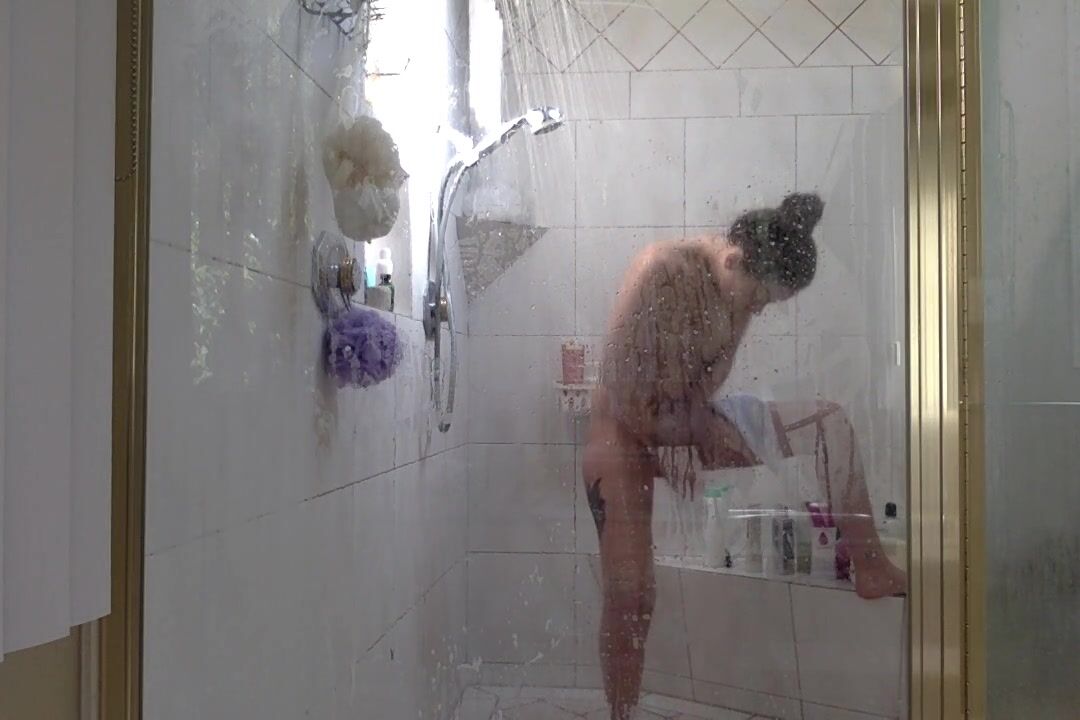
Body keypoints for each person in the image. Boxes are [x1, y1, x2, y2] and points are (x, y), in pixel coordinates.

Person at [581, 192, 907, 720]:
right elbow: (621, 389)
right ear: (733, 260)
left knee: (830, 425)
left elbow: (708, 382)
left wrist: (699, 428)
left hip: (689, 420)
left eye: (767, 305)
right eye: (758, 299)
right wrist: (679, 435)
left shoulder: (739, 291)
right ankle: (622, 713)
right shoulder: (660, 270)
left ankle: (872, 567)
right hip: (624, 430)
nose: (757, 310)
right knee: (631, 595)